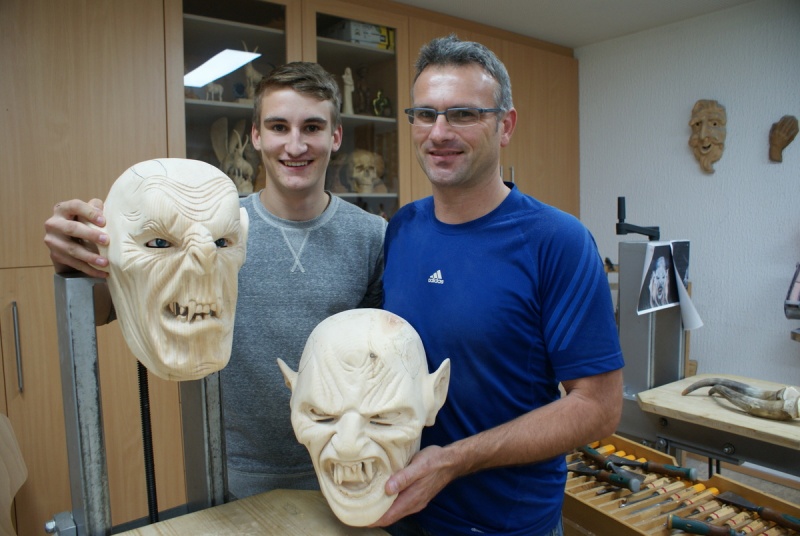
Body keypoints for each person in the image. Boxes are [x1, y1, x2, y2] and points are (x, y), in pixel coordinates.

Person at [43, 62, 386, 500]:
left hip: (344, 466)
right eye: (278, 126)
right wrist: (76, 264)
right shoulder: (205, 223)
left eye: (312, 127)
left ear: (335, 136)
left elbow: (380, 353)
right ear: (256, 135)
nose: (295, 144)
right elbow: (103, 310)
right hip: (228, 470)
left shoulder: (371, 236)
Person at [376, 35, 624, 536]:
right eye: (425, 114)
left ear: (505, 125)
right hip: (398, 510)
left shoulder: (557, 241)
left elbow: (598, 408)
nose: (439, 132)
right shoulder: (402, 228)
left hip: (505, 523)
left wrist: (453, 461)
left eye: (463, 114)